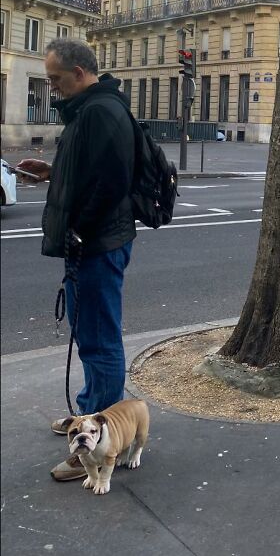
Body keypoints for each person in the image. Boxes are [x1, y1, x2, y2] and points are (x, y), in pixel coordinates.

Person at [17, 39, 136, 483]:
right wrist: (54, 172)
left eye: (55, 79)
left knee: (100, 340)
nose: (52, 88)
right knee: (90, 334)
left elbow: (112, 182)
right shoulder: (93, 109)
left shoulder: (101, 112)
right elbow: (93, 170)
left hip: (98, 244)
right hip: (96, 241)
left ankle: (100, 441)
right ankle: (87, 417)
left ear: (80, 74)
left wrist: (80, 229)